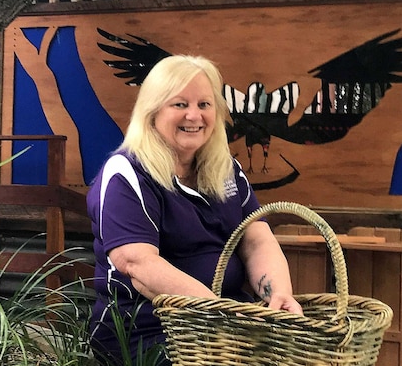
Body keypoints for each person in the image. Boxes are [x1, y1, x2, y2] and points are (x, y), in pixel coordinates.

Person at [86, 55, 302, 364]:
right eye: (179, 104)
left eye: (204, 104)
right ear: (152, 112)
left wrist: (277, 294)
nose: (194, 116)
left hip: (227, 325)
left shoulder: (226, 170)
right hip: (148, 330)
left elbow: (257, 241)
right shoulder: (126, 172)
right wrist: (220, 316)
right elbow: (138, 265)